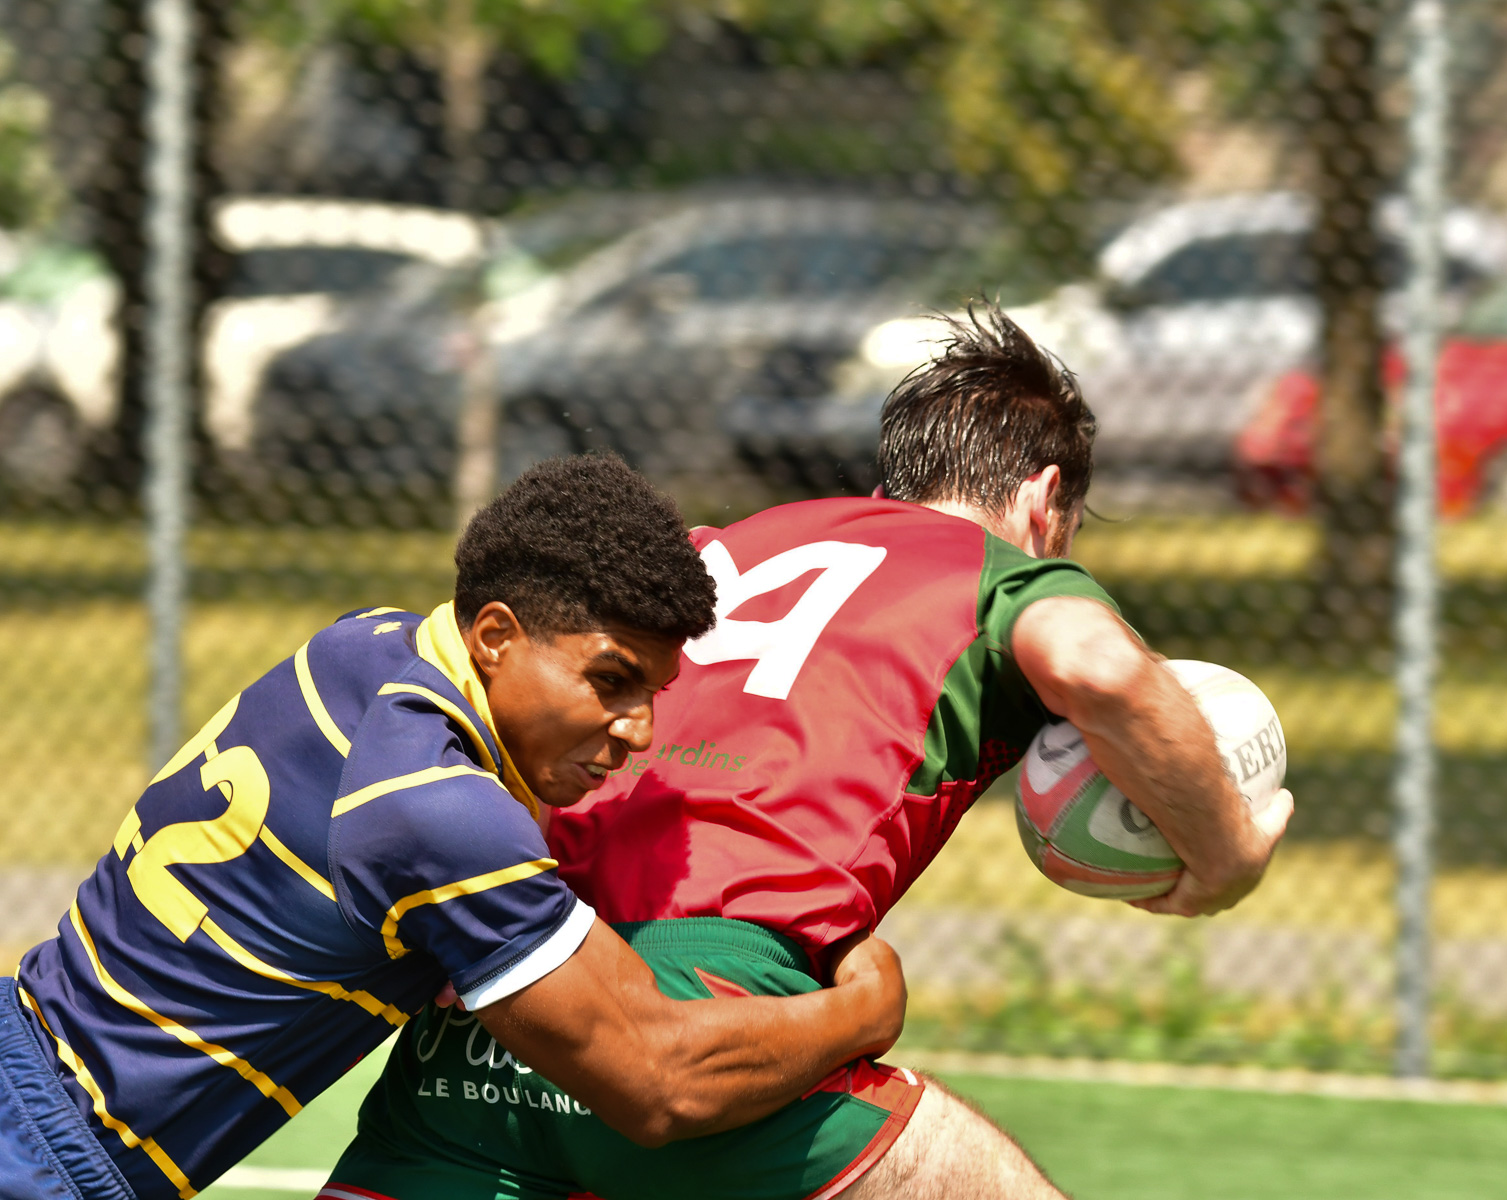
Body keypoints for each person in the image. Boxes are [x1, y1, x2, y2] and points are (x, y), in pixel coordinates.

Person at [321, 305, 1292, 1200]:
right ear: (1045, 503)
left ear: (886, 488)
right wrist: (1225, 855)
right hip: (711, 1010)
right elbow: (1105, 672)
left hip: (506, 1004)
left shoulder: (715, 548)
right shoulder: (1002, 576)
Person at [0, 456, 906, 1200]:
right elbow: (656, 1084)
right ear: (496, 635)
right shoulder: (437, 812)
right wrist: (858, 1013)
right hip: (51, 1154)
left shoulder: (363, 645)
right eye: (610, 680)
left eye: (653, 693)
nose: (641, 733)